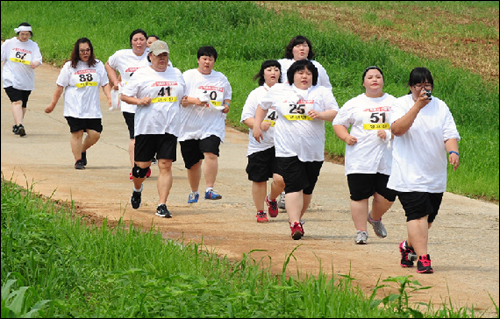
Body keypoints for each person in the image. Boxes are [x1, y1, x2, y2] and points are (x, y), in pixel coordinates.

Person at [253, 59, 338, 240]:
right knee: (293, 185)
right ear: (292, 75)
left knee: (307, 189)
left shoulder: (322, 92)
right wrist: (257, 125)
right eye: (300, 72)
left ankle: (297, 219)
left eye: (308, 73)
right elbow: (263, 106)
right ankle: (294, 224)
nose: (304, 76)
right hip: (287, 149)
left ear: (313, 76)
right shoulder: (280, 90)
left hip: (313, 150)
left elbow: (335, 112)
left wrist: (321, 114)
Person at [388, 67, 460, 273]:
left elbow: (449, 134)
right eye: (419, 85)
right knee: (417, 215)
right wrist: (417, 106)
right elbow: (397, 130)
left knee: (427, 218)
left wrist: (453, 152)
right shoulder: (400, 104)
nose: (423, 88)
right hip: (408, 173)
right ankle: (423, 258)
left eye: (427, 84)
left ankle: (407, 247)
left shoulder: (441, 106)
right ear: (411, 87)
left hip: (434, 173)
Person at [120, 40, 186, 218]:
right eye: (158, 56)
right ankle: (137, 188)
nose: (162, 59)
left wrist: (186, 101)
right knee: (141, 168)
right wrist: (139, 101)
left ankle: (162, 204)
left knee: (166, 165)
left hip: (169, 127)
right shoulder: (142, 74)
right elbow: (125, 96)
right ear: (150, 56)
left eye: (165, 55)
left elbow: (182, 96)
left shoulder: (177, 73)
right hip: (147, 127)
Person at [332, 66, 397, 244]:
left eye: (378, 77)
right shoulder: (355, 103)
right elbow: (338, 123)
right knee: (359, 196)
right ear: (364, 82)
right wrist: (346, 137)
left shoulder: (394, 102)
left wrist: (389, 133)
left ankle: (374, 218)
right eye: (370, 77)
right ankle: (361, 232)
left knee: (388, 196)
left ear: (383, 81)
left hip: (387, 159)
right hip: (360, 158)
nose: (374, 80)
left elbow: (403, 125)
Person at [276, 35, 332, 209]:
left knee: (303, 167)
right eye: (298, 46)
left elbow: (326, 88)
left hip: (309, 121)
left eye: (305, 46)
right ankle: (285, 192)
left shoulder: (317, 67)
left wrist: (320, 108)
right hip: (284, 119)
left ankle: (290, 197)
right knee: (285, 166)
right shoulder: (282, 64)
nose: (302, 49)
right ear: (291, 48)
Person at [45, 38, 111, 169]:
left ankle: (82, 149)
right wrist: (52, 104)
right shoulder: (69, 66)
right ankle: (78, 160)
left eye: (87, 50)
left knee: (95, 134)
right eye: (82, 51)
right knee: (77, 133)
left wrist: (110, 98)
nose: (85, 53)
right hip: (74, 107)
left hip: (92, 108)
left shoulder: (98, 65)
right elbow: (60, 87)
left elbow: (105, 83)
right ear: (77, 52)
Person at [178, 46, 231, 203]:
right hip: (189, 126)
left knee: (211, 154)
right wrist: (196, 101)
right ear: (198, 60)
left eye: (211, 59)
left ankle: (209, 189)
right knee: (193, 164)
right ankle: (194, 191)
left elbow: (227, 96)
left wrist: (227, 105)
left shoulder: (221, 78)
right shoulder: (187, 76)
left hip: (212, 124)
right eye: (204, 59)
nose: (207, 62)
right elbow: (180, 99)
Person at [240, 60, 285, 223]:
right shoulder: (257, 93)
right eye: (269, 69)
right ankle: (260, 211)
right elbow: (245, 117)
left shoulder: (286, 92)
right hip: (260, 144)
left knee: (281, 180)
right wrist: (258, 125)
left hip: (282, 144)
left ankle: (272, 199)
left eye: (276, 69)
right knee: (259, 179)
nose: (273, 72)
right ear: (263, 73)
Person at [105, 29, 152, 180]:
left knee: (148, 136)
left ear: (146, 41)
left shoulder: (153, 55)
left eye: (142, 39)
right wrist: (115, 81)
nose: (139, 43)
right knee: (135, 136)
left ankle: (144, 165)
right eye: (136, 40)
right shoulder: (121, 55)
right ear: (131, 42)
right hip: (129, 102)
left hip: (150, 103)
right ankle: (135, 169)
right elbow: (108, 64)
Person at [1, 22, 42, 137]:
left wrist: (35, 63)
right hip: (11, 79)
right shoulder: (9, 43)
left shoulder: (33, 45)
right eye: (22, 34)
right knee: (17, 101)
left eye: (27, 34)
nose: (24, 36)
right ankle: (20, 125)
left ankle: (17, 125)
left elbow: (38, 58)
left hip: (26, 80)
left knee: (23, 105)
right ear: (18, 33)